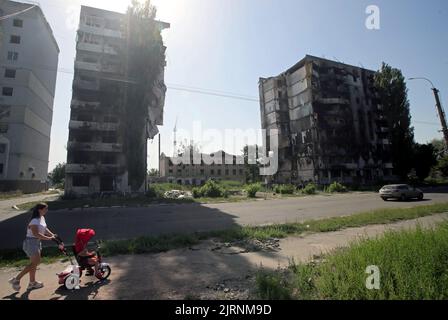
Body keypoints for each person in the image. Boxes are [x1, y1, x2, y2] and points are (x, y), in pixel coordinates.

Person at [8, 203, 57, 291]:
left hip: (36, 242)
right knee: (35, 262)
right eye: (45, 209)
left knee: (34, 263)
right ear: (39, 210)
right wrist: (49, 238)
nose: (47, 210)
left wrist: (52, 235)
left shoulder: (42, 218)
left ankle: (32, 283)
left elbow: (44, 229)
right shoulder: (34, 220)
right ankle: (16, 279)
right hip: (31, 242)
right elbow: (36, 234)